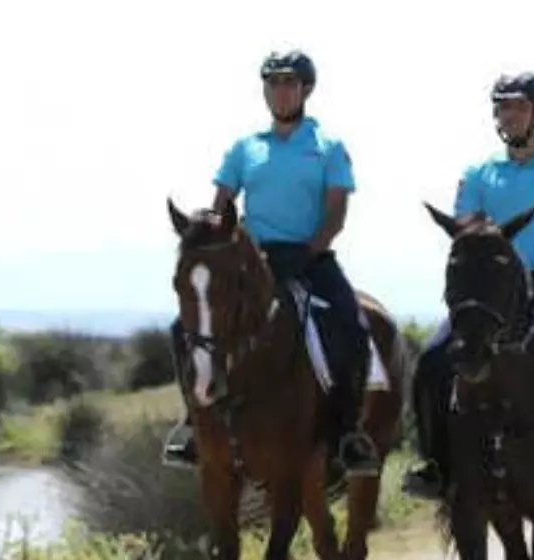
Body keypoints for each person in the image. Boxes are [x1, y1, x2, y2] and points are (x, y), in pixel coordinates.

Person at [402, 71, 534, 507]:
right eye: (503, 107)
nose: (510, 115)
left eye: (519, 107)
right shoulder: (479, 174)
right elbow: (467, 229)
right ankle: (435, 464)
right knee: (430, 362)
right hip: (490, 294)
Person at [161, 49, 381, 478]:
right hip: (250, 261)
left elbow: (336, 212)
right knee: (181, 329)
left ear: (306, 89)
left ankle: (348, 433)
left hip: (311, 257)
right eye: (273, 83)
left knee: (352, 326)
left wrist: (311, 250)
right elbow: (221, 208)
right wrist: (208, 236)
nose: (280, 91)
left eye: (289, 83)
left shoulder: (329, 148)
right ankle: (194, 424)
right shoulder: (245, 149)